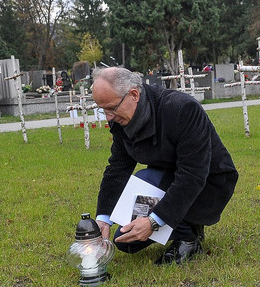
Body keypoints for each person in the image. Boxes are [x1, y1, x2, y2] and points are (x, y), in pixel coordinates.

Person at [91, 67, 238, 265]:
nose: (108, 117)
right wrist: (104, 218)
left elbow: (193, 175)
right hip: (169, 177)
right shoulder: (121, 120)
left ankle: (188, 237)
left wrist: (153, 221)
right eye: (103, 110)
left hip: (209, 182)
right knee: (125, 241)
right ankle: (187, 223)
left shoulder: (182, 109)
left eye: (111, 108)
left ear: (134, 94)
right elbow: (117, 167)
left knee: (147, 181)